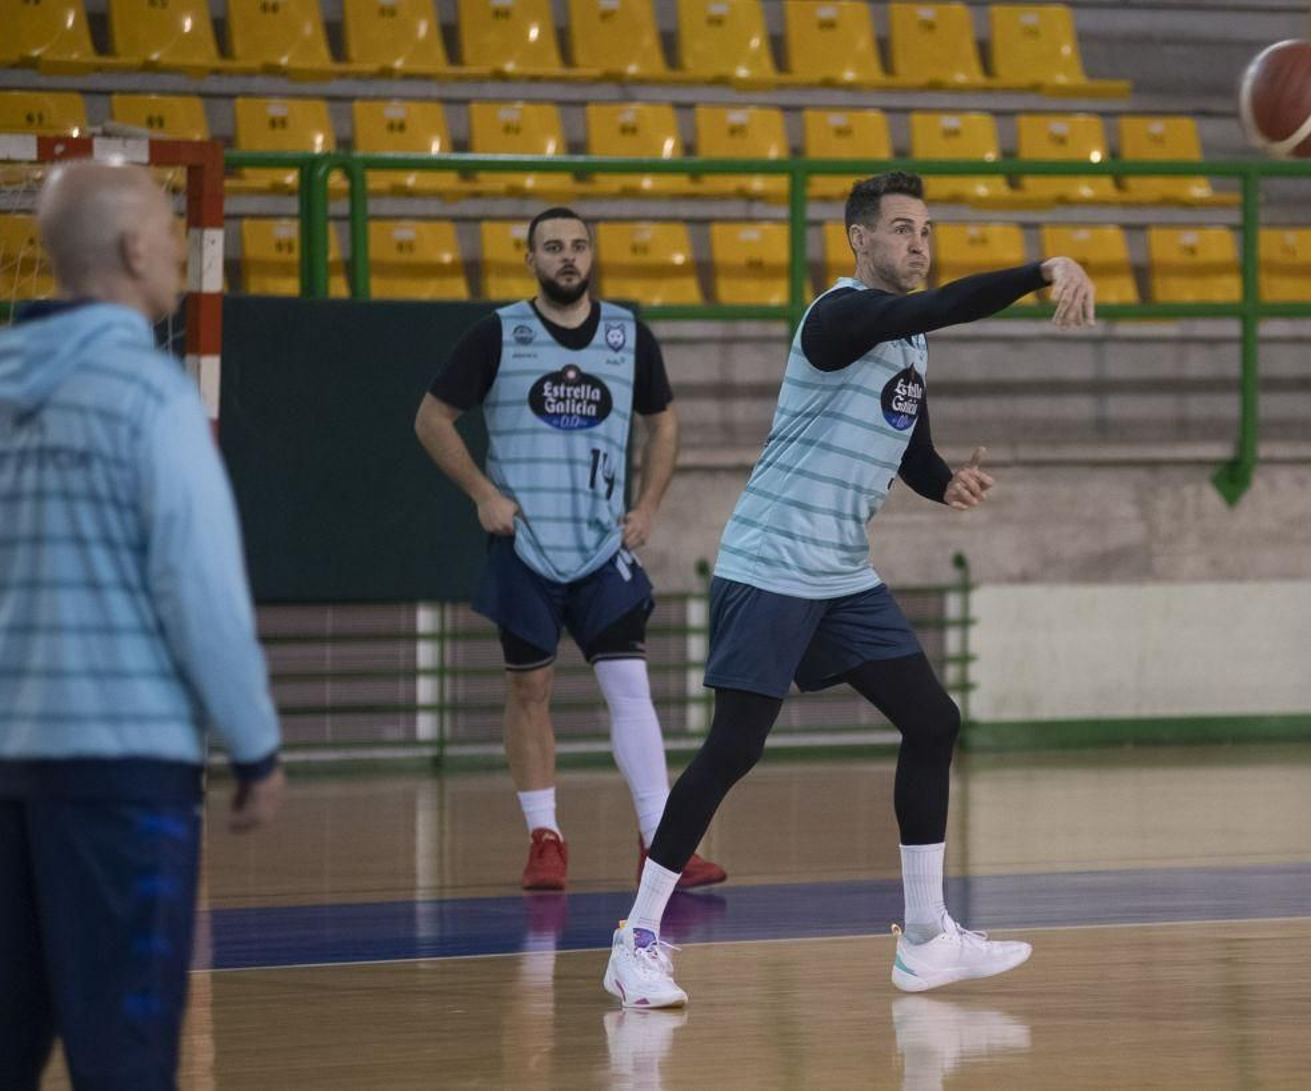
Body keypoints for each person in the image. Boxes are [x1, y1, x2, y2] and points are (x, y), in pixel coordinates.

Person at [603, 171, 1097, 1008]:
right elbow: (924, 309)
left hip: (839, 572)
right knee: (735, 747)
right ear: (859, 240)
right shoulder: (838, 317)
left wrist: (946, 485)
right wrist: (1037, 269)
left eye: (927, 230)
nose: (919, 244)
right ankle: (637, 939)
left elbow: (911, 445)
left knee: (933, 718)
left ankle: (927, 937)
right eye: (902, 229)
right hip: (771, 562)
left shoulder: (908, 345)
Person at [0, 161, 286, 1089]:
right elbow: (199, 587)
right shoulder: (150, 396)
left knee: (5, 1023)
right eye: (169, 230)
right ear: (134, 249)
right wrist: (253, 743)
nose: (177, 245)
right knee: (125, 1039)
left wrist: (29, 676)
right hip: (126, 769)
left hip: (12, 756)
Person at [415, 207, 725, 892]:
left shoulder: (627, 335)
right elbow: (431, 418)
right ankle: (545, 836)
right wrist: (479, 492)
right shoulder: (497, 333)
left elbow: (664, 423)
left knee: (631, 687)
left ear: (592, 255)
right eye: (553, 247)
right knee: (530, 687)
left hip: (599, 546)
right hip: (524, 543)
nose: (568, 257)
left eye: (579, 246)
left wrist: (647, 506)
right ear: (531, 259)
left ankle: (662, 841)